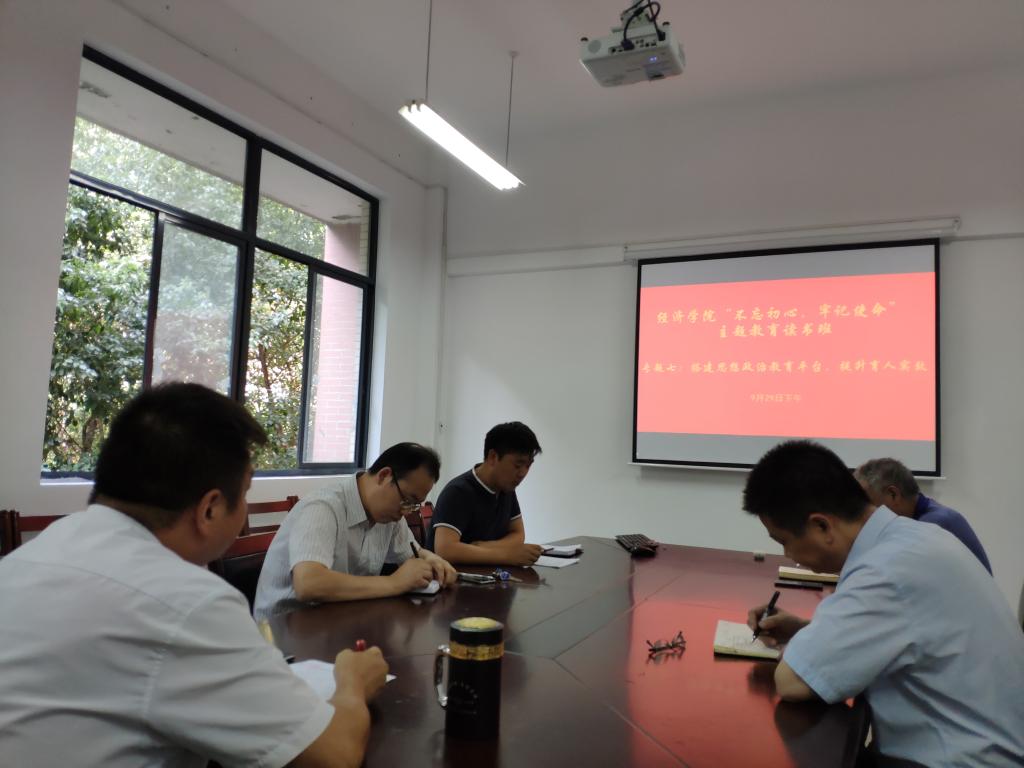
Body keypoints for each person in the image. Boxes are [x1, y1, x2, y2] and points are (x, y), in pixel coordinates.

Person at [0, 383, 388, 768]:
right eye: (246, 492)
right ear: (210, 509)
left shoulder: (29, 558)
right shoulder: (187, 603)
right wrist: (352, 683)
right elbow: (333, 754)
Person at [742, 440, 1024, 767]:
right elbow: (906, 630)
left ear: (821, 525)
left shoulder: (884, 571)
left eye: (784, 541)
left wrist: (809, 644)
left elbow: (793, 681)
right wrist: (805, 629)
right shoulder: (913, 537)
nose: (788, 554)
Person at [254, 442, 456, 620]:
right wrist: (394, 583)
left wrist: (431, 559)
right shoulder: (323, 508)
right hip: (284, 632)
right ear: (384, 476)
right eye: (407, 500)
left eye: (414, 505)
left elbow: (412, 554)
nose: (406, 511)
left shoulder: (389, 515)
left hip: (338, 621)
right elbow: (308, 584)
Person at [429, 421, 545, 566]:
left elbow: (518, 535)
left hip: (487, 575)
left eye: (528, 466)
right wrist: (506, 555)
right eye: (518, 465)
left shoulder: (506, 488)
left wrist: (484, 547)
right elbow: (445, 550)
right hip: (452, 577)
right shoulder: (458, 492)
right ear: (493, 457)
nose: (523, 473)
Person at [854, 457, 992, 573]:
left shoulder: (932, 526)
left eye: (868, 504)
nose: (865, 516)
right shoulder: (929, 515)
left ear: (893, 494)